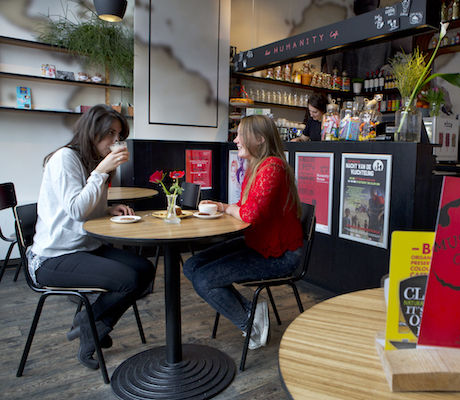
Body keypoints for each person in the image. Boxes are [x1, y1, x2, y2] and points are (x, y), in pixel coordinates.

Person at [27, 104, 155, 370]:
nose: (114, 141)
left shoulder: (92, 162)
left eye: (118, 135)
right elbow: (75, 211)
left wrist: (108, 208)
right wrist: (100, 173)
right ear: (91, 130)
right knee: (128, 280)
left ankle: (92, 325)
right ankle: (91, 326)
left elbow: (84, 208)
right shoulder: (65, 158)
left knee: (144, 269)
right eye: (109, 133)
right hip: (53, 257)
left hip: (85, 247)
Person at [183, 115, 303, 350]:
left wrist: (226, 208)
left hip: (280, 256)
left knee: (204, 279)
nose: (235, 139)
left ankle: (249, 323)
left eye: (240, 135)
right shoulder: (258, 166)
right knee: (192, 266)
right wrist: (228, 208)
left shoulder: (273, 167)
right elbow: (245, 209)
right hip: (257, 243)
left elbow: (249, 214)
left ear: (259, 139)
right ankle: (252, 309)